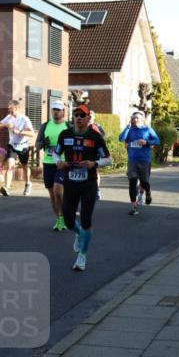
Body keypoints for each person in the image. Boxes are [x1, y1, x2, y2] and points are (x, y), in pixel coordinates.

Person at [55, 103, 111, 272]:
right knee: (68, 220)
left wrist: (94, 163)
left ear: (88, 118)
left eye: (82, 115)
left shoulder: (95, 137)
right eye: (76, 115)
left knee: (86, 220)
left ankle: (82, 256)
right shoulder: (65, 135)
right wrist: (59, 161)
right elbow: (56, 152)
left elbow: (108, 159)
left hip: (89, 183)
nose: (79, 118)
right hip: (70, 182)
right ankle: (79, 233)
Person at [35, 99, 70, 230]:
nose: (55, 112)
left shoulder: (68, 126)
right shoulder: (45, 126)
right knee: (52, 193)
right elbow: (37, 146)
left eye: (58, 110)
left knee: (58, 189)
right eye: (54, 110)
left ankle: (65, 214)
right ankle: (60, 219)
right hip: (48, 163)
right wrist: (44, 142)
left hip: (62, 163)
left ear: (63, 112)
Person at [119, 110, 160, 216]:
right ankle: (134, 206)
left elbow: (157, 140)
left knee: (144, 181)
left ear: (142, 120)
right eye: (133, 118)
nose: (135, 120)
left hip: (144, 160)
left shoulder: (147, 129)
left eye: (137, 118)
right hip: (132, 160)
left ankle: (148, 192)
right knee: (132, 182)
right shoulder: (130, 129)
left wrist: (147, 142)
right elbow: (121, 138)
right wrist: (127, 127)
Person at [0, 98, 35, 196]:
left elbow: (32, 133)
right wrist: (6, 124)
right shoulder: (8, 117)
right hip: (12, 145)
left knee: (25, 166)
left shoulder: (24, 119)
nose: (9, 110)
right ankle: (7, 188)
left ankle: (28, 184)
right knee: (10, 166)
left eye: (10, 108)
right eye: (8, 108)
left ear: (16, 108)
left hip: (23, 146)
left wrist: (20, 132)